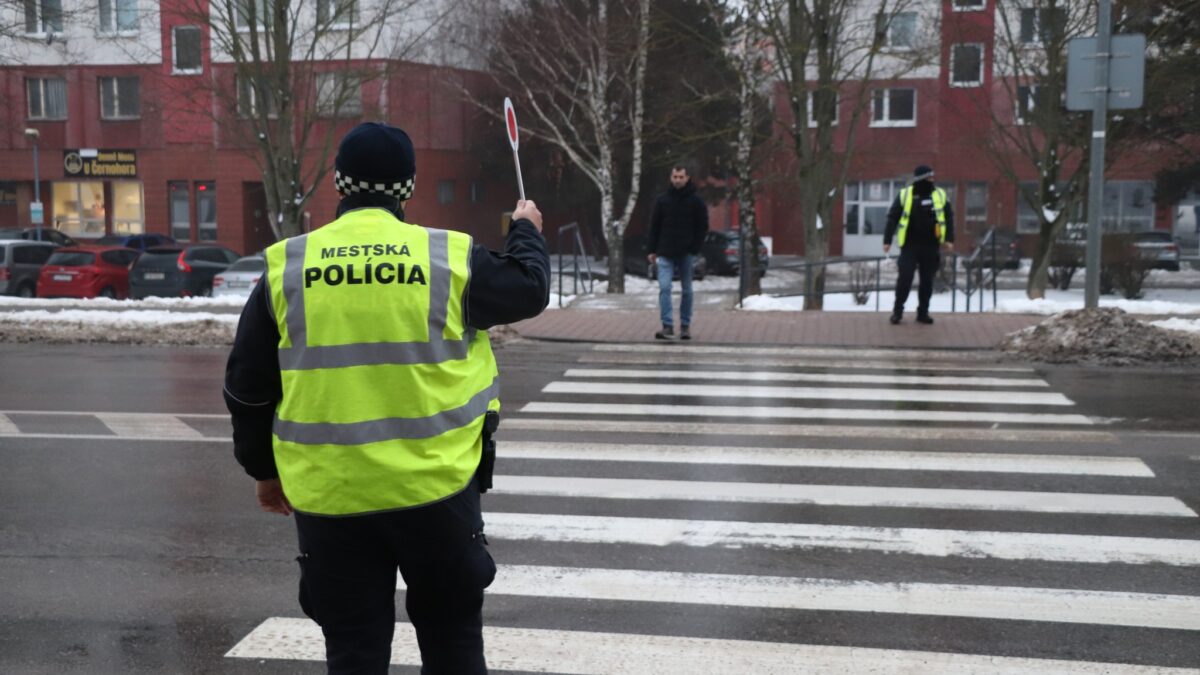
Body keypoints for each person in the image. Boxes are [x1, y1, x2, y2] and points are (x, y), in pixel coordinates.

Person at [223, 122, 550, 675]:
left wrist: (264, 470)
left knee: (354, 652)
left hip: (332, 496)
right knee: (452, 645)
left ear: (339, 183)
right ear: (409, 188)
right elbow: (529, 287)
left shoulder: (287, 266)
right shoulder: (447, 257)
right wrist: (526, 230)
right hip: (436, 489)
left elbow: (247, 388)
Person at [883, 165, 954, 325]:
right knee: (905, 278)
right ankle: (897, 311)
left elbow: (949, 217)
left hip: (931, 245)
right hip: (910, 245)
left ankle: (923, 312)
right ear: (921, 179)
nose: (932, 180)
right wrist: (887, 240)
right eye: (929, 177)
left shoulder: (940, 194)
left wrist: (949, 239)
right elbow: (892, 217)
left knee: (927, 281)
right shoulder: (905, 194)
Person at [647, 164, 708, 340]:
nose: (678, 180)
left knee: (687, 290)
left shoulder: (696, 201)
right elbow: (654, 226)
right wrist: (652, 249)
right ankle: (667, 325)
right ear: (671, 177)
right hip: (665, 251)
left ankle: (685, 326)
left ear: (687, 178)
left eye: (681, 177)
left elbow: (702, 226)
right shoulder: (662, 200)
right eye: (675, 177)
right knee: (664, 288)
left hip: (686, 253)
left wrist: (695, 248)